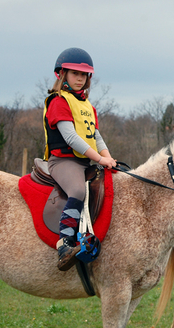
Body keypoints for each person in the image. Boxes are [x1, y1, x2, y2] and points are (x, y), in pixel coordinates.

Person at [43, 47, 117, 271]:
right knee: (77, 191)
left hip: (86, 160)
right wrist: (98, 158)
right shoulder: (58, 101)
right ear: (62, 74)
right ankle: (65, 244)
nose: (80, 78)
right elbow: (71, 137)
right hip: (63, 161)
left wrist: (108, 158)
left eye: (84, 75)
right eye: (75, 73)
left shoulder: (88, 106)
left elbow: (95, 136)